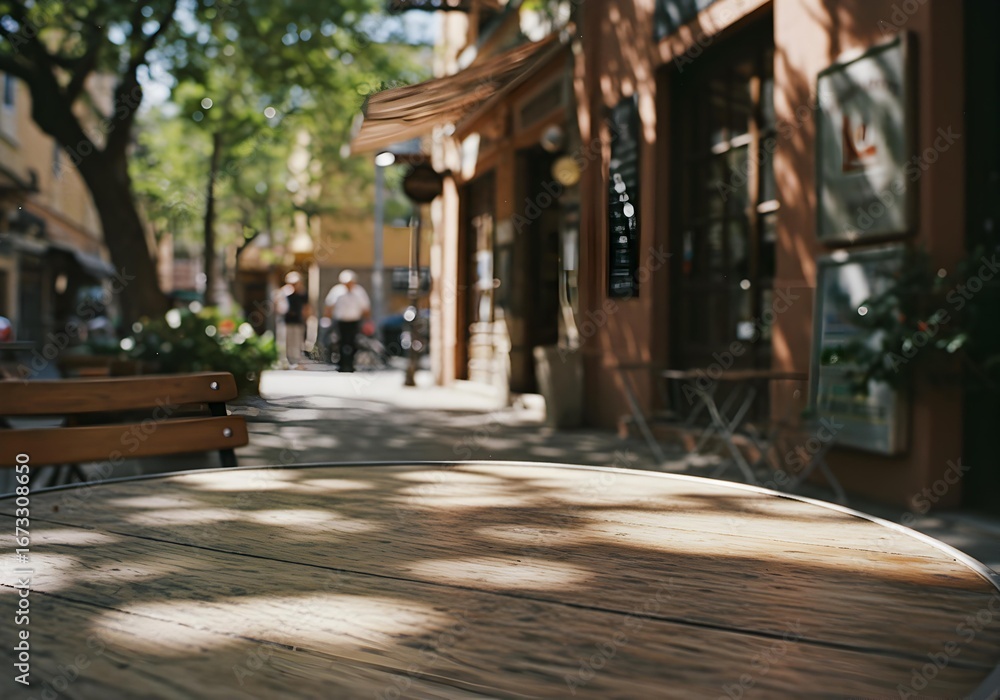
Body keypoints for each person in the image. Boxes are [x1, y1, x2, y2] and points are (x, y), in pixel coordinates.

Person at [324, 270, 370, 372]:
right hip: (340, 321)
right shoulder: (336, 291)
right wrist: (328, 319)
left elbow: (366, 308)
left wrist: (367, 321)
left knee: (353, 343)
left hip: (354, 321)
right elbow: (329, 306)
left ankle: (351, 363)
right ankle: (341, 364)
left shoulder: (359, 292)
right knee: (340, 342)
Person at [278, 271, 311, 367]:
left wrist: (306, 318)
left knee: (297, 342)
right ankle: (286, 361)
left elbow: (306, 307)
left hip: (298, 321)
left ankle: (296, 360)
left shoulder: (302, 293)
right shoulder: (284, 293)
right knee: (286, 342)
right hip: (286, 321)